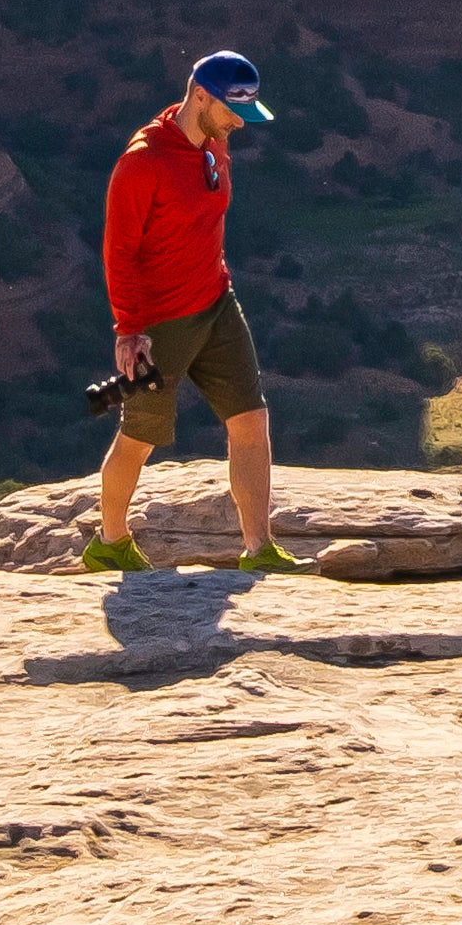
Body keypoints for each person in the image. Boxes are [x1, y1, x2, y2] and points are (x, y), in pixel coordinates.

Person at [90, 50, 294, 570]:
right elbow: (119, 251)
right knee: (140, 436)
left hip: (217, 303)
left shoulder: (215, 142)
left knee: (251, 418)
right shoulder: (143, 162)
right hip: (161, 324)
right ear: (200, 96)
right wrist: (129, 330)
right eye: (231, 111)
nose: (238, 124)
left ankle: (258, 549)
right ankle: (109, 543)